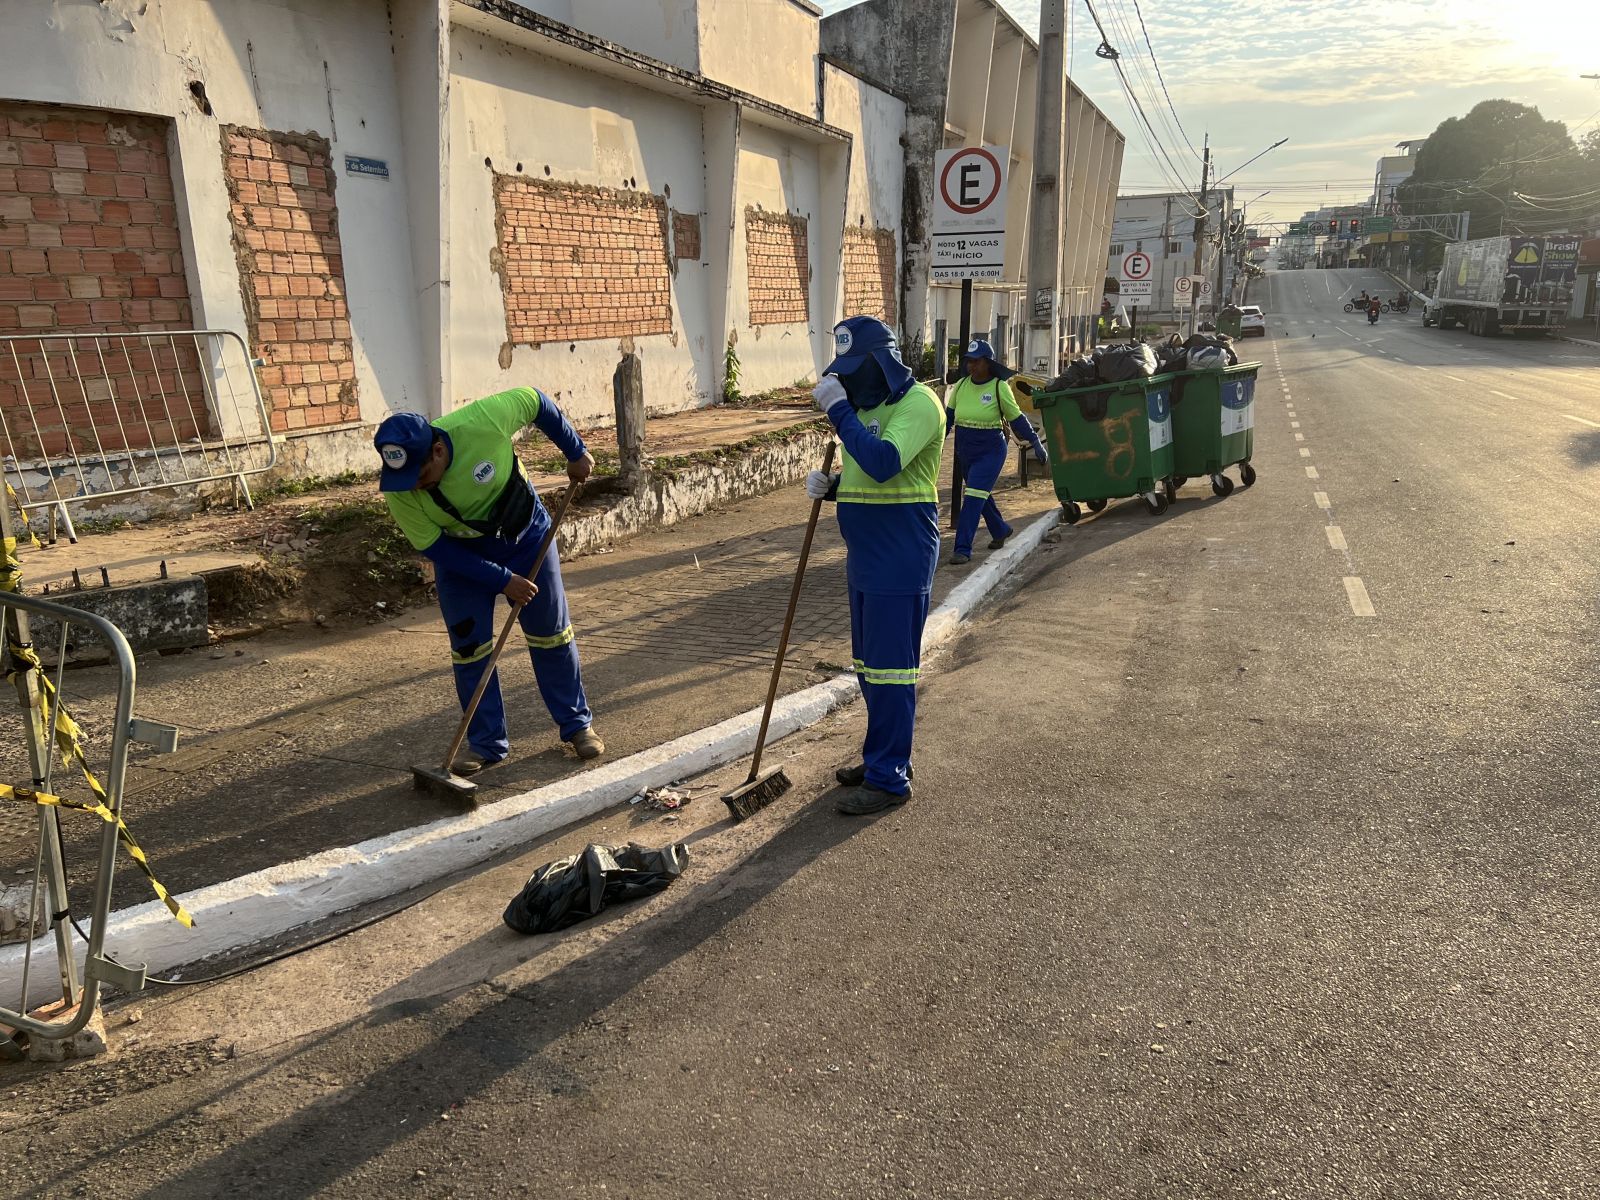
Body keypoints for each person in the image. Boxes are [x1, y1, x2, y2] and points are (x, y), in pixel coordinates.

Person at [374, 387, 603, 774]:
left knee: (552, 635)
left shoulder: (482, 421)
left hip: (526, 538)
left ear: (439, 451)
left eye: (421, 475)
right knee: (469, 650)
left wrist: (575, 451)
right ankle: (486, 744)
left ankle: (577, 725)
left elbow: (537, 402)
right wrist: (501, 580)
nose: (414, 486)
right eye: (405, 479)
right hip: (463, 560)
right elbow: (437, 549)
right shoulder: (400, 488)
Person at [804, 316, 946, 815]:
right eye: (838, 374)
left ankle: (890, 778)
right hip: (864, 558)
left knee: (892, 671)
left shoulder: (918, 405)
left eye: (851, 370)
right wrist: (837, 486)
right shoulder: (871, 406)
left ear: (879, 362)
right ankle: (881, 755)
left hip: (899, 555)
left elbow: (886, 461)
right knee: (869, 668)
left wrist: (839, 412)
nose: (843, 382)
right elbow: (866, 471)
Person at [944, 338, 1047, 566]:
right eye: (969, 361)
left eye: (977, 361)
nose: (972, 366)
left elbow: (1017, 419)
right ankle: (1000, 530)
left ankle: (962, 548)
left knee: (971, 499)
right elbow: (948, 419)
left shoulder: (999, 387)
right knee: (979, 494)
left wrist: (1034, 442)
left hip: (990, 450)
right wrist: (938, 441)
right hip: (965, 450)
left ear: (988, 362)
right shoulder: (960, 386)